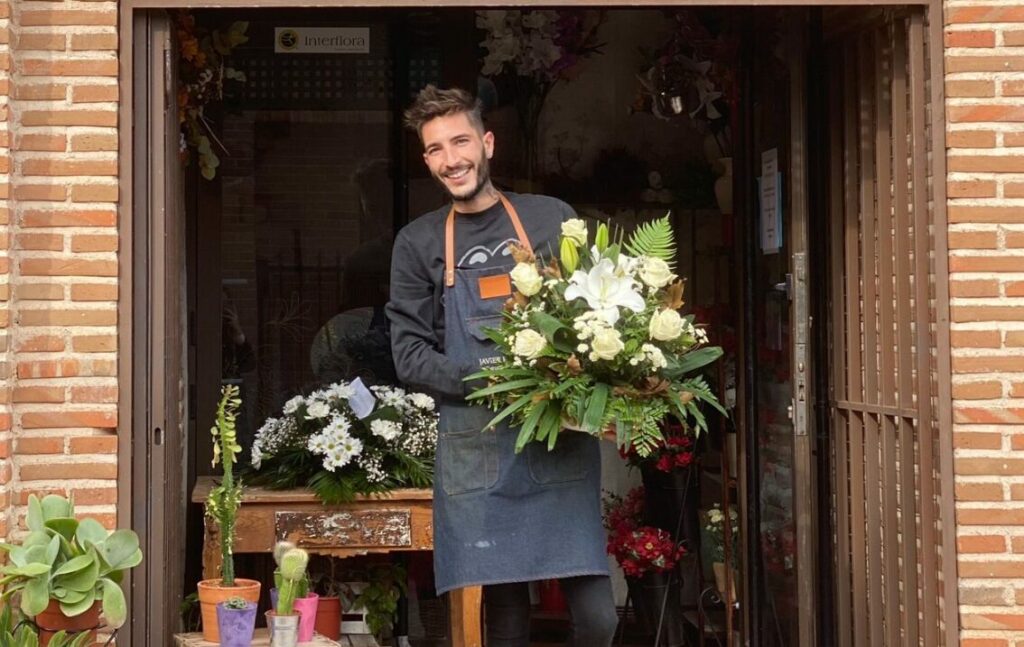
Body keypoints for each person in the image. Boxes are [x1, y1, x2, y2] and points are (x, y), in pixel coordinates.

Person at [386, 85, 618, 647]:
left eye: (461, 141)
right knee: (505, 617)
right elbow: (409, 354)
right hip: (476, 443)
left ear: (487, 142)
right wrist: (500, 383)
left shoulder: (550, 218)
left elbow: (598, 310)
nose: (452, 159)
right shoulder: (417, 243)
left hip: (557, 439)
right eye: (436, 149)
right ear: (426, 160)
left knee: (598, 617)